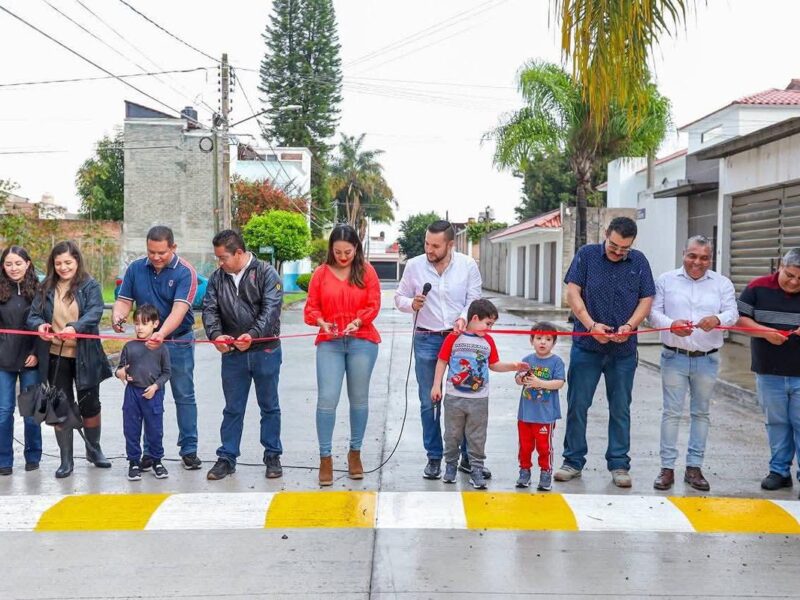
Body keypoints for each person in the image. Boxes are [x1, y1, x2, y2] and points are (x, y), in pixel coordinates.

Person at [556, 216, 655, 488]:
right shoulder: (586, 256)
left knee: (620, 408)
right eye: (614, 245)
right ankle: (573, 461)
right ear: (606, 233)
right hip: (587, 347)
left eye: (625, 248)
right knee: (578, 404)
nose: (618, 251)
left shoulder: (639, 262)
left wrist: (630, 326)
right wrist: (591, 326)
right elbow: (573, 293)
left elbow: (646, 299)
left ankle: (619, 464)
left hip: (623, 350)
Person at [395, 220, 483, 481]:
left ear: (450, 244)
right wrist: (412, 304)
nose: (429, 250)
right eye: (427, 244)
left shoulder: (467, 265)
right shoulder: (414, 266)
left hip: (460, 340)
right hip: (426, 338)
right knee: (429, 400)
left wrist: (464, 318)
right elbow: (399, 298)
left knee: (464, 398)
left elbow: (474, 299)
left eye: (435, 246)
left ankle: (466, 458)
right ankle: (434, 457)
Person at [648, 236, 738, 492]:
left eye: (704, 257)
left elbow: (733, 314)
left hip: (707, 359)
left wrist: (717, 319)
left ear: (711, 258)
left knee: (701, 414)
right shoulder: (666, 280)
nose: (697, 262)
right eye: (692, 256)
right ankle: (667, 468)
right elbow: (653, 313)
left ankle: (694, 468)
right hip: (673, 357)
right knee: (671, 413)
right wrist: (671, 325)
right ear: (683, 253)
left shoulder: (722, 283)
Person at [111, 225, 201, 471]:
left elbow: (179, 310)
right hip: (146, 345)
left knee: (184, 394)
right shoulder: (136, 268)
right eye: (151, 252)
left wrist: (161, 333)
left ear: (173, 247)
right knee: (146, 395)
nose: (156, 257)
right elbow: (124, 300)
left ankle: (189, 449)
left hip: (178, 341)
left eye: (162, 252)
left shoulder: (185, 272)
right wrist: (117, 317)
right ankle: (150, 453)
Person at [202, 229, 284, 481]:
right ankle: (227, 457)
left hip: (265, 350)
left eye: (223, 257)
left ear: (238, 253)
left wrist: (253, 335)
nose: (220, 263)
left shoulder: (267, 273)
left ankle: (272, 455)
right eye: (218, 258)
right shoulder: (217, 278)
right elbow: (209, 309)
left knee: (269, 406)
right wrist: (216, 335)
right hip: (233, 354)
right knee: (232, 408)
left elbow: (271, 310)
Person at [304, 224, 381, 486]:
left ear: (356, 248)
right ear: (331, 250)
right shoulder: (320, 274)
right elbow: (311, 308)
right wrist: (321, 322)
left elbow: (374, 304)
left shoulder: (367, 271)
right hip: (330, 342)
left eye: (348, 251)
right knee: (327, 399)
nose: (343, 257)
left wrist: (358, 321)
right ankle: (325, 458)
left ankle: (355, 453)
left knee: (358, 400)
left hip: (362, 341)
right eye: (338, 252)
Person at [28, 241, 113, 478]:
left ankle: (93, 450)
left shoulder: (90, 285)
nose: (63, 267)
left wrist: (76, 327)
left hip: (86, 355)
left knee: (90, 405)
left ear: (77, 261)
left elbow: (95, 312)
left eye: (68, 262)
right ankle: (66, 459)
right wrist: (39, 325)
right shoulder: (45, 287)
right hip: (56, 356)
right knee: (60, 407)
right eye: (58, 263)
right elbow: (33, 315)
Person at [432, 299, 526, 489]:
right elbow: (442, 361)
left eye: (492, 325)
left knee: (477, 436)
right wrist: (436, 386)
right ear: (474, 318)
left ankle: (476, 469)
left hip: (479, 400)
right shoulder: (454, 337)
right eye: (488, 323)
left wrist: (514, 366)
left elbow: (494, 364)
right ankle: (450, 465)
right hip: (454, 397)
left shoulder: (488, 341)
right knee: (452, 434)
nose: (490, 328)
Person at [736, 247, 800, 497]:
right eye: (790, 275)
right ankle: (779, 471)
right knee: (776, 423)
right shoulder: (757, 287)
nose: (794, 282)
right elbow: (739, 319)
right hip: (769, 372)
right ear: (780, 267)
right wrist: (764, 332)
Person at [116, 304, 171, 481]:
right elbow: (120, 370)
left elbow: (167, 373)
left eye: (144, 323)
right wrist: (121, 374)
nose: (139, 327)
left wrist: (155, 387)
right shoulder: (129, 347)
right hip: (132, 394)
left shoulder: (161, 348)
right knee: (131, 429)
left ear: (155, 324)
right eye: (137, 323)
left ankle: (157, 461)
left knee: (155, 430)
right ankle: (133, 462)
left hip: (153, 394)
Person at [0, 246, 43, 475]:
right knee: (4, 411)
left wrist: (36, 352)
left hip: (30, 360)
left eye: (18, 263)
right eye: (8, 264)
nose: (13, 268)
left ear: (28, 264)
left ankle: (33, 455)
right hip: (3, 361)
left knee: (31, 412)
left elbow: (43, 323)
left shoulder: (39, 290)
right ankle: (4, 460)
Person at [513, 321, 565, 491]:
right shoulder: (527, 360)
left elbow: (559, 383)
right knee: (525, 446)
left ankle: (545, 472)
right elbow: (517, 379)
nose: (543, 342)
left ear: (554, 343)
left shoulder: (556, 362)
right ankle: (524, 471)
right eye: (539, 338)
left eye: (548, 339)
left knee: (544, 447)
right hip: (525, 414)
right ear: (532, 340)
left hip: (545, 416)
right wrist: (521, 378)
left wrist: (539, 383)